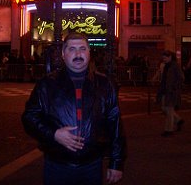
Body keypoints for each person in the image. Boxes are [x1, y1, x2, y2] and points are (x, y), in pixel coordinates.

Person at [22, 32, 126, 185]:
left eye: (82, 48)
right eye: (72, 49)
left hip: (92, 165)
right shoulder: (46, 85)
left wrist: (116, 162)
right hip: (57, 165)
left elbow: (115, 124)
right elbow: (29, 118)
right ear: (64, 54)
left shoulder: (104, 84)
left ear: (89, 53)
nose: (78, 54)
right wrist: (54, 134)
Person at [156, 50, 184, 137]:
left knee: (169, 110)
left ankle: (169, 130)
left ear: (170, 57)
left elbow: (181, 77)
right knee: (165, 109)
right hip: (165, 90)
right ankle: (178, 120)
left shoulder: (174, 66)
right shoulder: (166, 66)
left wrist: (174, 87)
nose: (163, 59)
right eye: (163, 58)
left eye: (165, 58)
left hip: (171, 92)